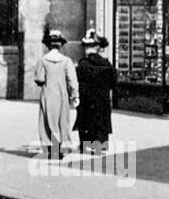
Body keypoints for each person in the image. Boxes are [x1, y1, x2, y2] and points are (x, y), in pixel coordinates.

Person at [35, 31, 80, 160]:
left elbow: (39, 78)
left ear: (48, 46)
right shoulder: (66, 61)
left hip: (48, 94)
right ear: (60, 46)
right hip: (62, 95)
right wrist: (74, 95)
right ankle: (60, 148)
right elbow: (72, 80)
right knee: (62, 121)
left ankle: (50, 147)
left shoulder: (43, 60)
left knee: (47, 120)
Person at [75, 29, 117, 153]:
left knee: (85, 120)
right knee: (101, 120)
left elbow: (77, 80)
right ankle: (100, 146)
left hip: (86, 98)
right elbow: (113, 83)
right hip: (102, 98)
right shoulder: (107, 64)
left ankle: (85, 145)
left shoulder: (82, 64)